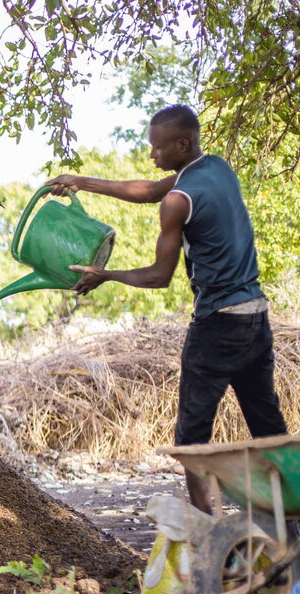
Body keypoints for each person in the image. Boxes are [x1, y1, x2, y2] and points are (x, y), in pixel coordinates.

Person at [47, 104, 288, 514]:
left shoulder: (178, 200)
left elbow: (160, 276)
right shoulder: (216, 168)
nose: (151, 155)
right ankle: (291, 521)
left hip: (218, 326)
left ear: (182, 143)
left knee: (191, 439)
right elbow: (148, 190)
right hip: (255, 318)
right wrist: (81, 182)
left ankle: (203, 528)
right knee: (268, 427)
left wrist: (107, 275)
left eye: (157, 148)